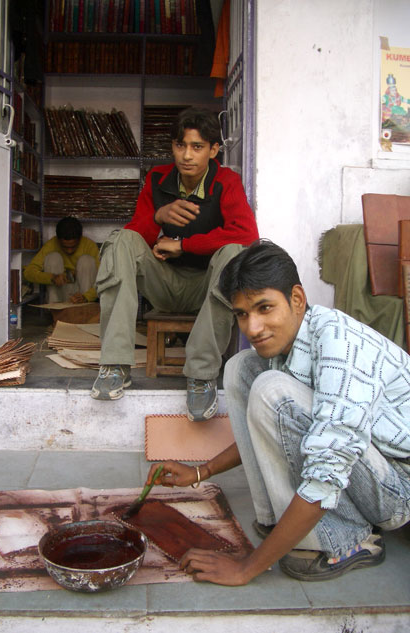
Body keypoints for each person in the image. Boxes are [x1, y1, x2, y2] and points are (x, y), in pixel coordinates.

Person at [145, 240, 410, 584]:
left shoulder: (339, 344)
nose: (253, 328)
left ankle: (348, 539)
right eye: (242, 314)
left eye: (264, 308)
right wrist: (201, 471)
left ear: (297, 299)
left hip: (397, 490)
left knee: (273, 391)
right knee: (241, 368)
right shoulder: (292, 340)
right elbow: (268, 427)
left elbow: (326, 471)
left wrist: (247, 567)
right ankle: (276, 517)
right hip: (368, 467)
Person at [92, 107, 259, 421]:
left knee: (234, 252)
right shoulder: (157, 178)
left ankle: (201, 375)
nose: (187, 155)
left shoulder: (226, 181)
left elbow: (248, 234)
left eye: (197, 147)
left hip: (208, 289)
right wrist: (158, 216)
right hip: (165, 284)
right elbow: (137, 235)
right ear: (172, 146)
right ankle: (115, 364)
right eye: (181, 145)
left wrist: (183, 245)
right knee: (120, 240)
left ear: (213, 150)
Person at [23, 216, 99, 304]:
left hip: (83, 295)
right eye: (65, 247)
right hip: (59, 292)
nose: (69, 251)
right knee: (53, 257)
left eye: (73, 246)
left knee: (87, 260)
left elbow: (103, 279)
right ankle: (54, 307)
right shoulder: (52, 244)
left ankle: (84, 306)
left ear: (80, 239)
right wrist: (52, 278)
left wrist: (86, 297)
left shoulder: (89, 245)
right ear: (58, 240)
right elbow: (28, 273)